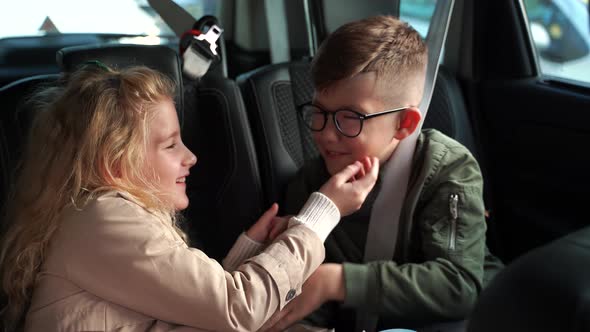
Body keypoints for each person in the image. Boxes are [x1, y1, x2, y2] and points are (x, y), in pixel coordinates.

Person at [0, 63, 380, 331]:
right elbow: (237, 308)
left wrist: (249, 250)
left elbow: (189, 312)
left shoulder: (98, 218)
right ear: (115, 164)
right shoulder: (103, 218)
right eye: (170, 145)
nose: (190, 157)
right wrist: (322, 213)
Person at [260, 15, 504, 332]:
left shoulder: (447, 169)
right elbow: (305, 293)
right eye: (319, 112)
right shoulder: (312, 183)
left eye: (350, 118)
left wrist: (337, 281)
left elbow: (459, 285)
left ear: (404, 124)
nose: (325, 135)